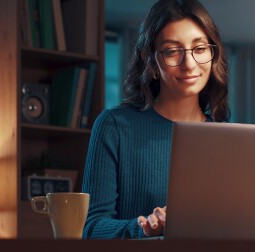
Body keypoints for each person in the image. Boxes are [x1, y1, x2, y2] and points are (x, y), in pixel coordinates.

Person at [81, 0, 229, 239]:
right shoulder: (114, 126)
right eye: (172, 51)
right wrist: (144, 228)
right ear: (150, 60)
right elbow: (91, 229)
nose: (189, 64)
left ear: (213, 55)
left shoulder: (228, 139)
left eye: (200, 49)